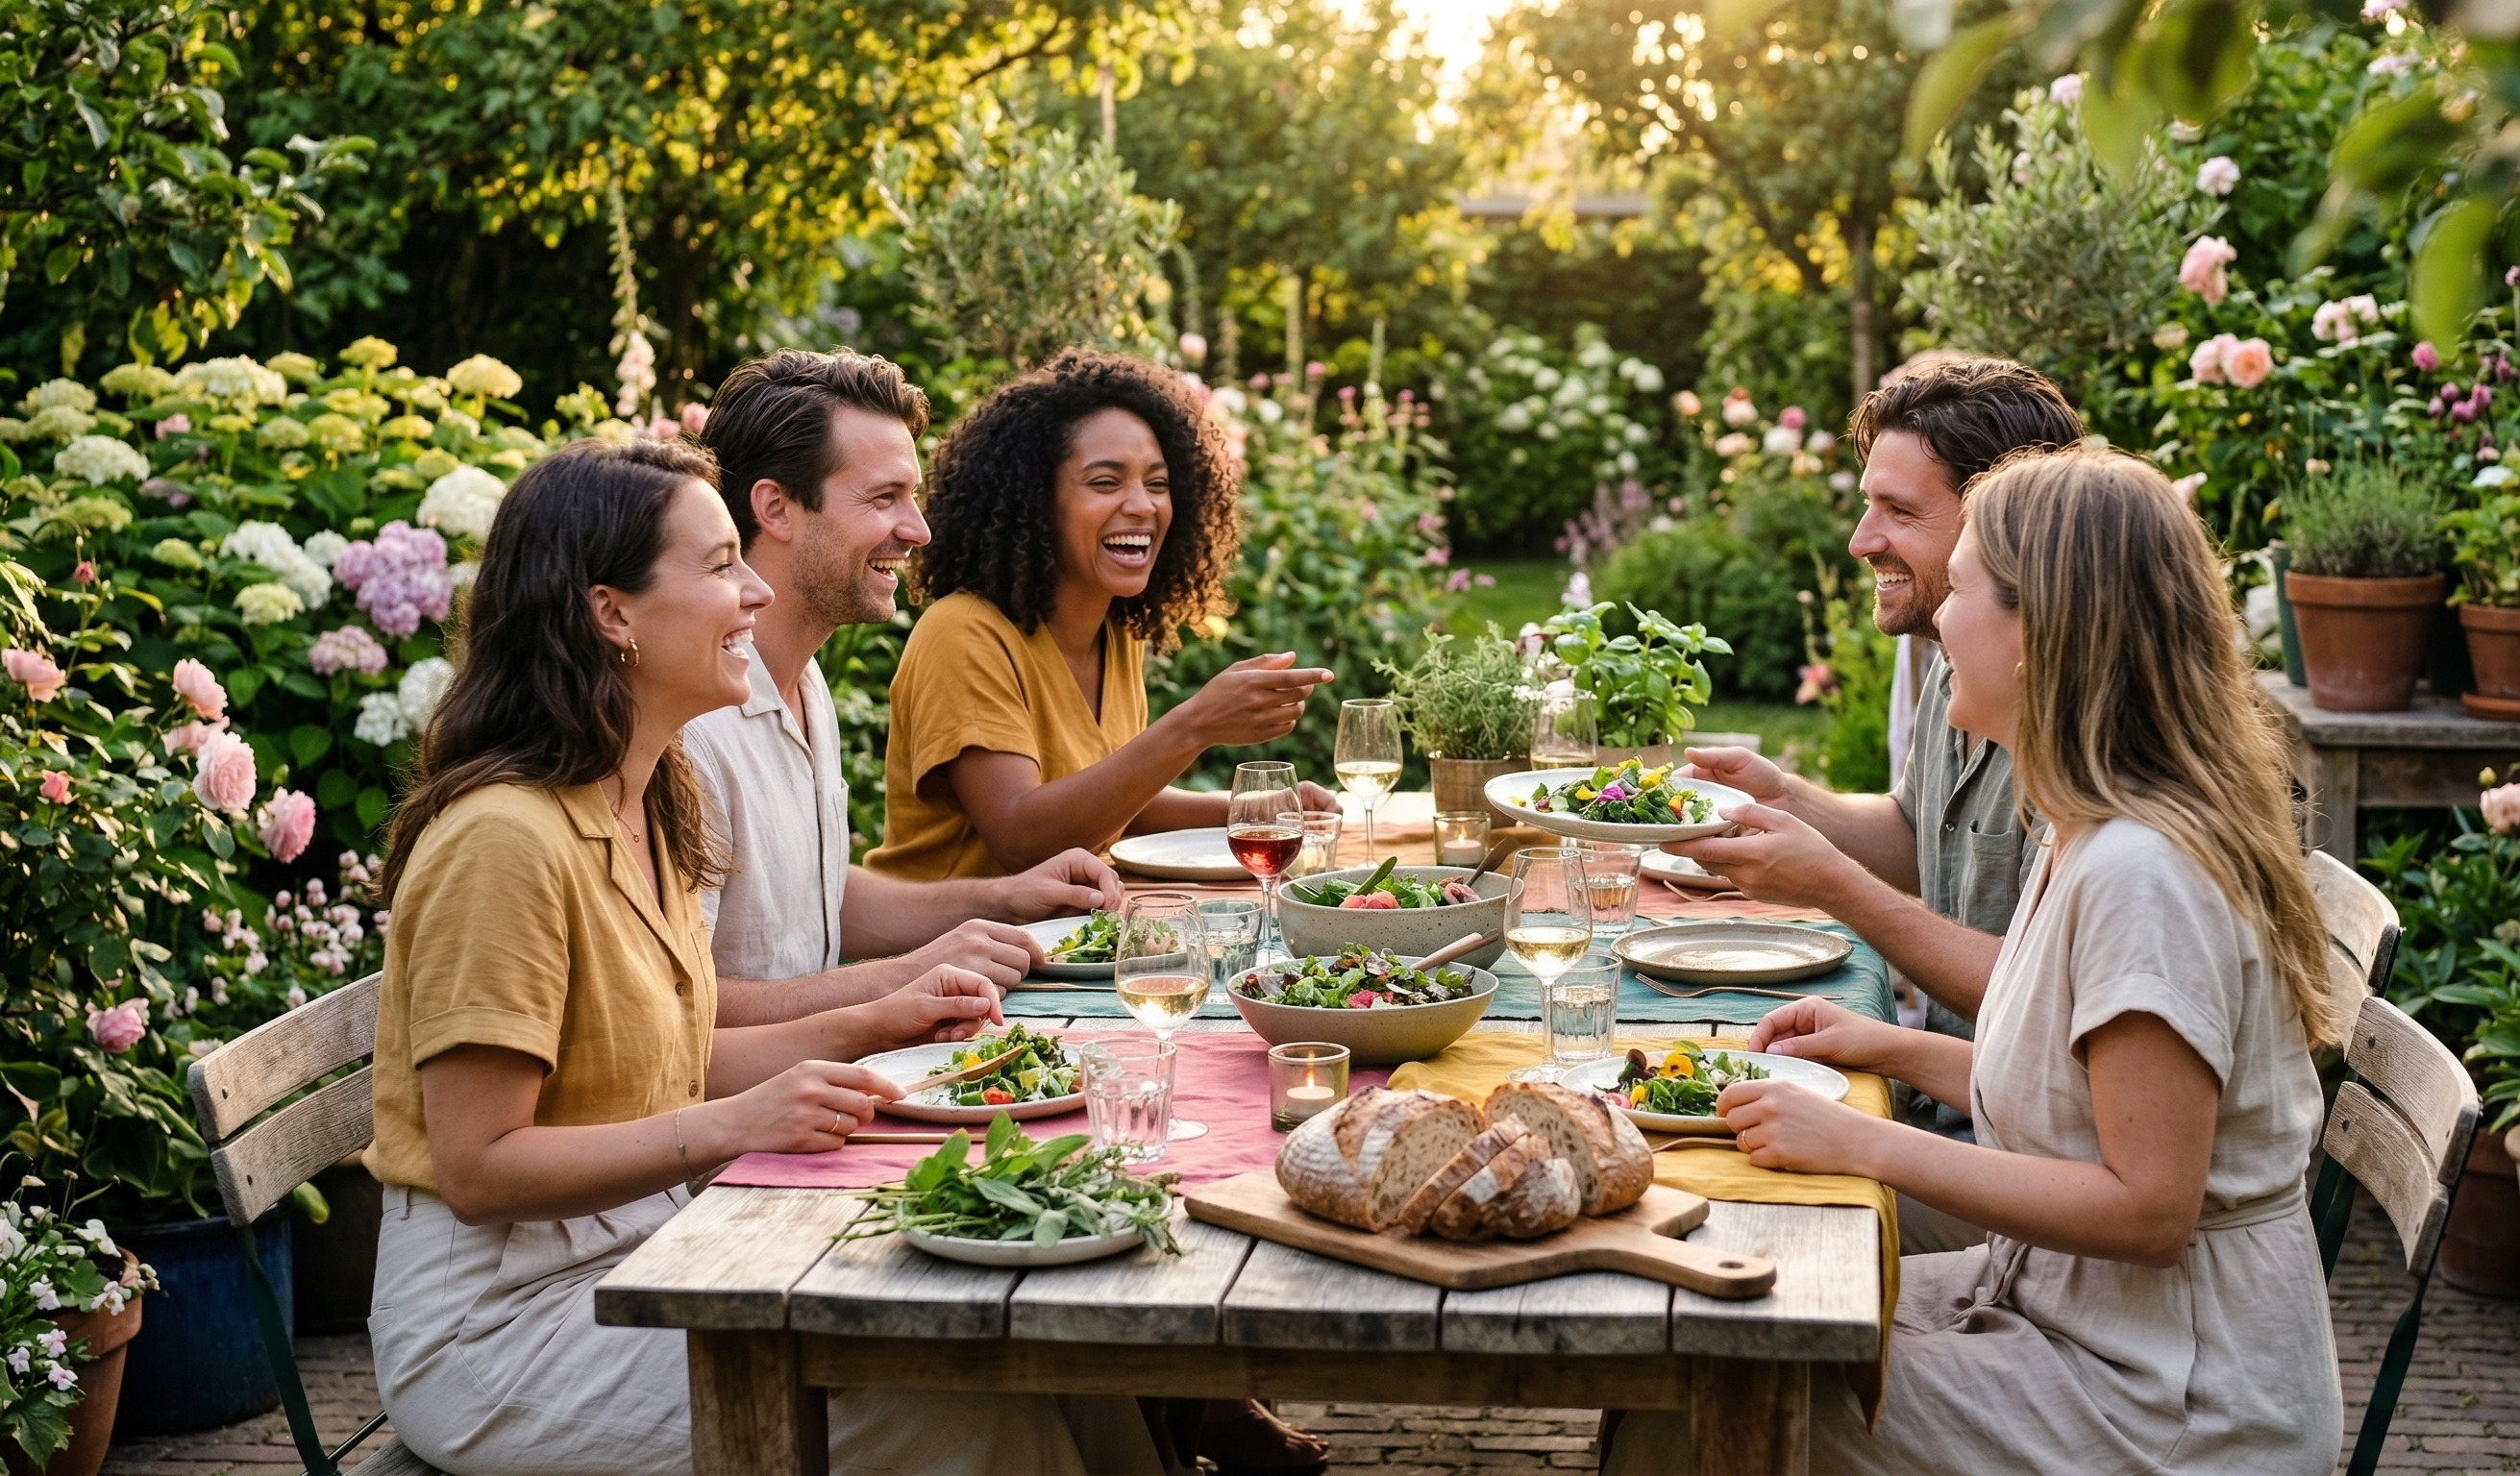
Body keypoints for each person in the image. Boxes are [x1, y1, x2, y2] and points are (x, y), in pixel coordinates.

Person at [363, 437, 1162, 1475]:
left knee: (1038, 1356)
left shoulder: (645, 798)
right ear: (611, 613)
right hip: (502, 1332)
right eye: (718, 565)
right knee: (960, 1406)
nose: (752, 592)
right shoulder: (503, 842)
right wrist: (742, 1120)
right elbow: (479, 1166)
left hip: (647, 1253)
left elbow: (670, 1047)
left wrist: (870, 1027)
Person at [1610, 447, 2346, 1472]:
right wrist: (1889, 1051)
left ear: (2041, 635)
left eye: (1961, 591)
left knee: (1705, 1395)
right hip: (2070, 1318)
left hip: (2170, 1398)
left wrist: (1864, 1143)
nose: (1940, 624)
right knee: (1686, 1342)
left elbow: (2148, 1205)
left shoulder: (2144, 873)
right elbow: (2086, 1094)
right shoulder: (2090, 826)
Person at [1667, 357, 2081, 1250]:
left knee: (1712, 1211)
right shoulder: (1959, 655)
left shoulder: (2085, 739)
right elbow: (1916, 830)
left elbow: (2044, 1003)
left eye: (1899, 511)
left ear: (2005, 523)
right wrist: (1787, 799)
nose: (1860, 540)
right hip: (1967, 1103)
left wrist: (1835, 887)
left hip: (2011, 1165)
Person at [684, 348, 1127, 1021]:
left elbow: (817, 896)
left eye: (912, 496)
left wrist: (1007, 899)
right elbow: (676, 1014)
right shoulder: (691, 724)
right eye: (884, 497)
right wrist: (906, 977)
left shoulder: (803, 682)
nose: (918, 530)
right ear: (775, 507)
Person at [868, 348, 1339, 882]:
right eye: (1106, 482)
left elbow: (1114, 800)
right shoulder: (964, 633)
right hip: (947, 952)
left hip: (1062, 942)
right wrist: (1194, 724)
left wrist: (1266, 808)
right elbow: (1022, 837)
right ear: (1035, 500)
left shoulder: (1113, 631)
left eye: (1157, 484)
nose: (1142, 505)